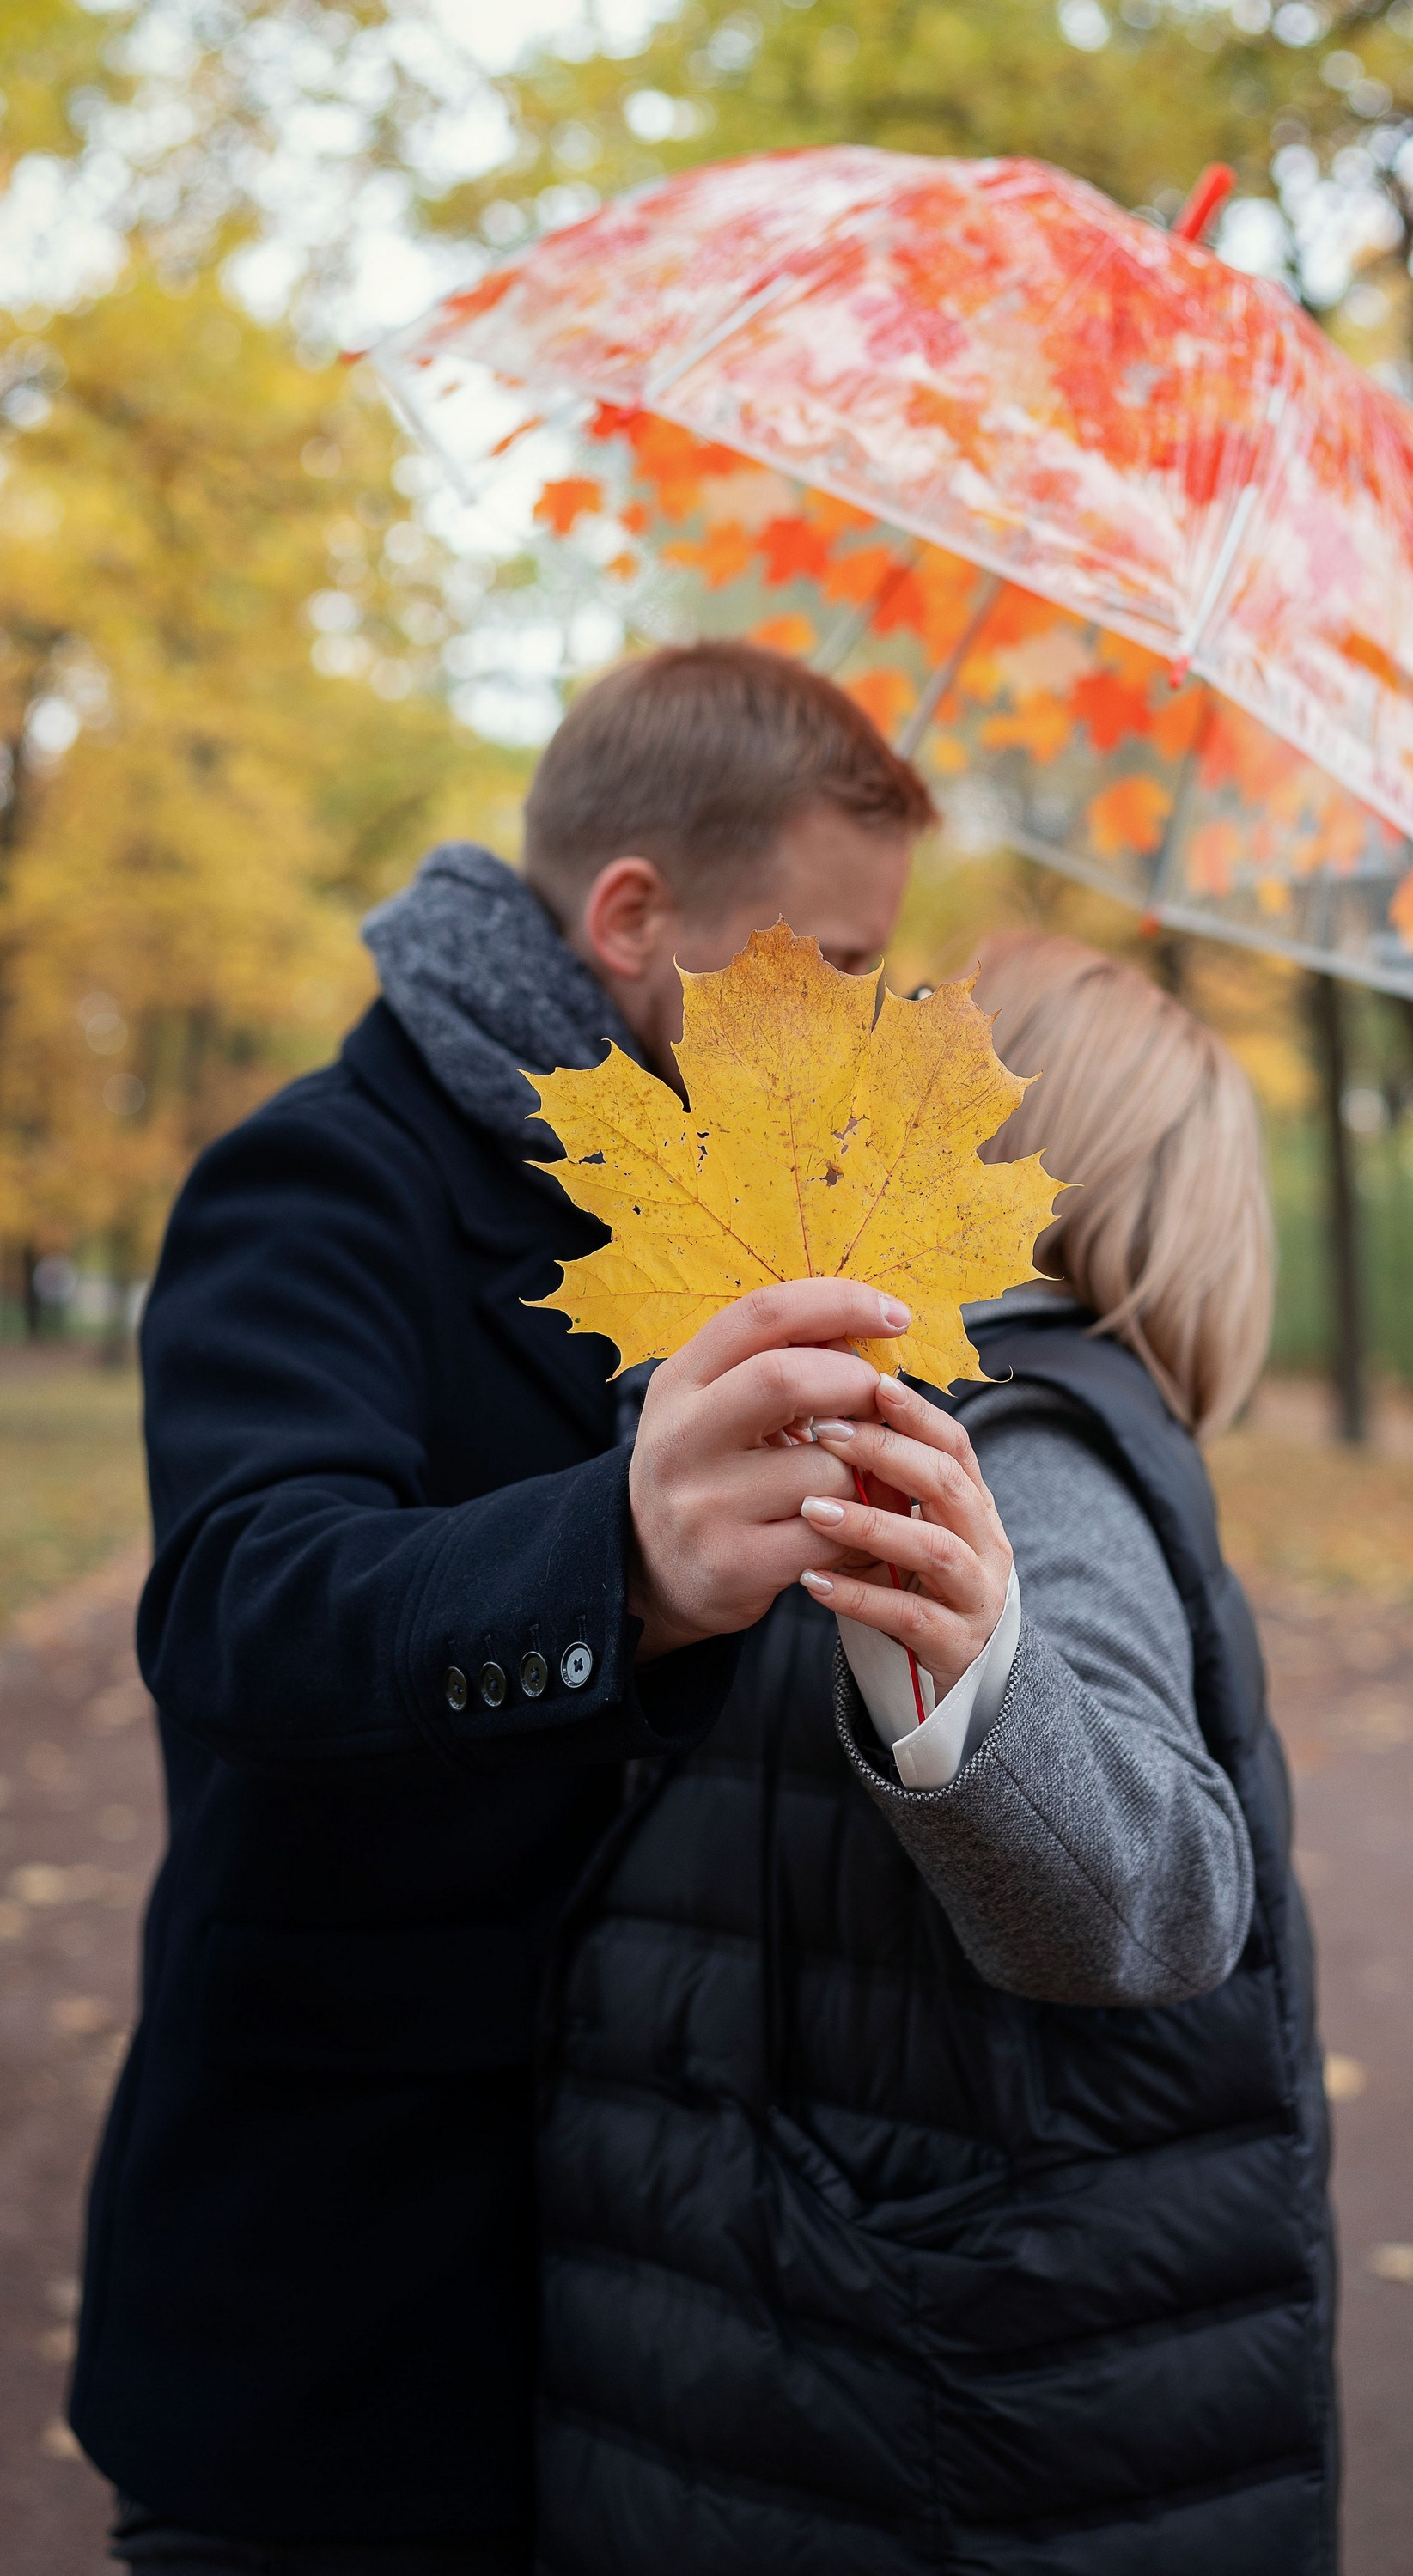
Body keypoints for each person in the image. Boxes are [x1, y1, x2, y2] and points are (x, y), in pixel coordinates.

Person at [71, 643, 937, 2573]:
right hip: (339, 2303)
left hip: (645, 2308)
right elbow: (238, 1605)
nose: (867, 1035)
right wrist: (615, 1563)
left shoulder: (727, 1216)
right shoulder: (325, 1178)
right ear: (632, 919)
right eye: (835, 970)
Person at [535, 934, 1337, 2573]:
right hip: (853, 2358)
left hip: (934, 2394)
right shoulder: (846, 1414)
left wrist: (977, 1695)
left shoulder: (1034, 1460)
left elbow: (1162, 1904)